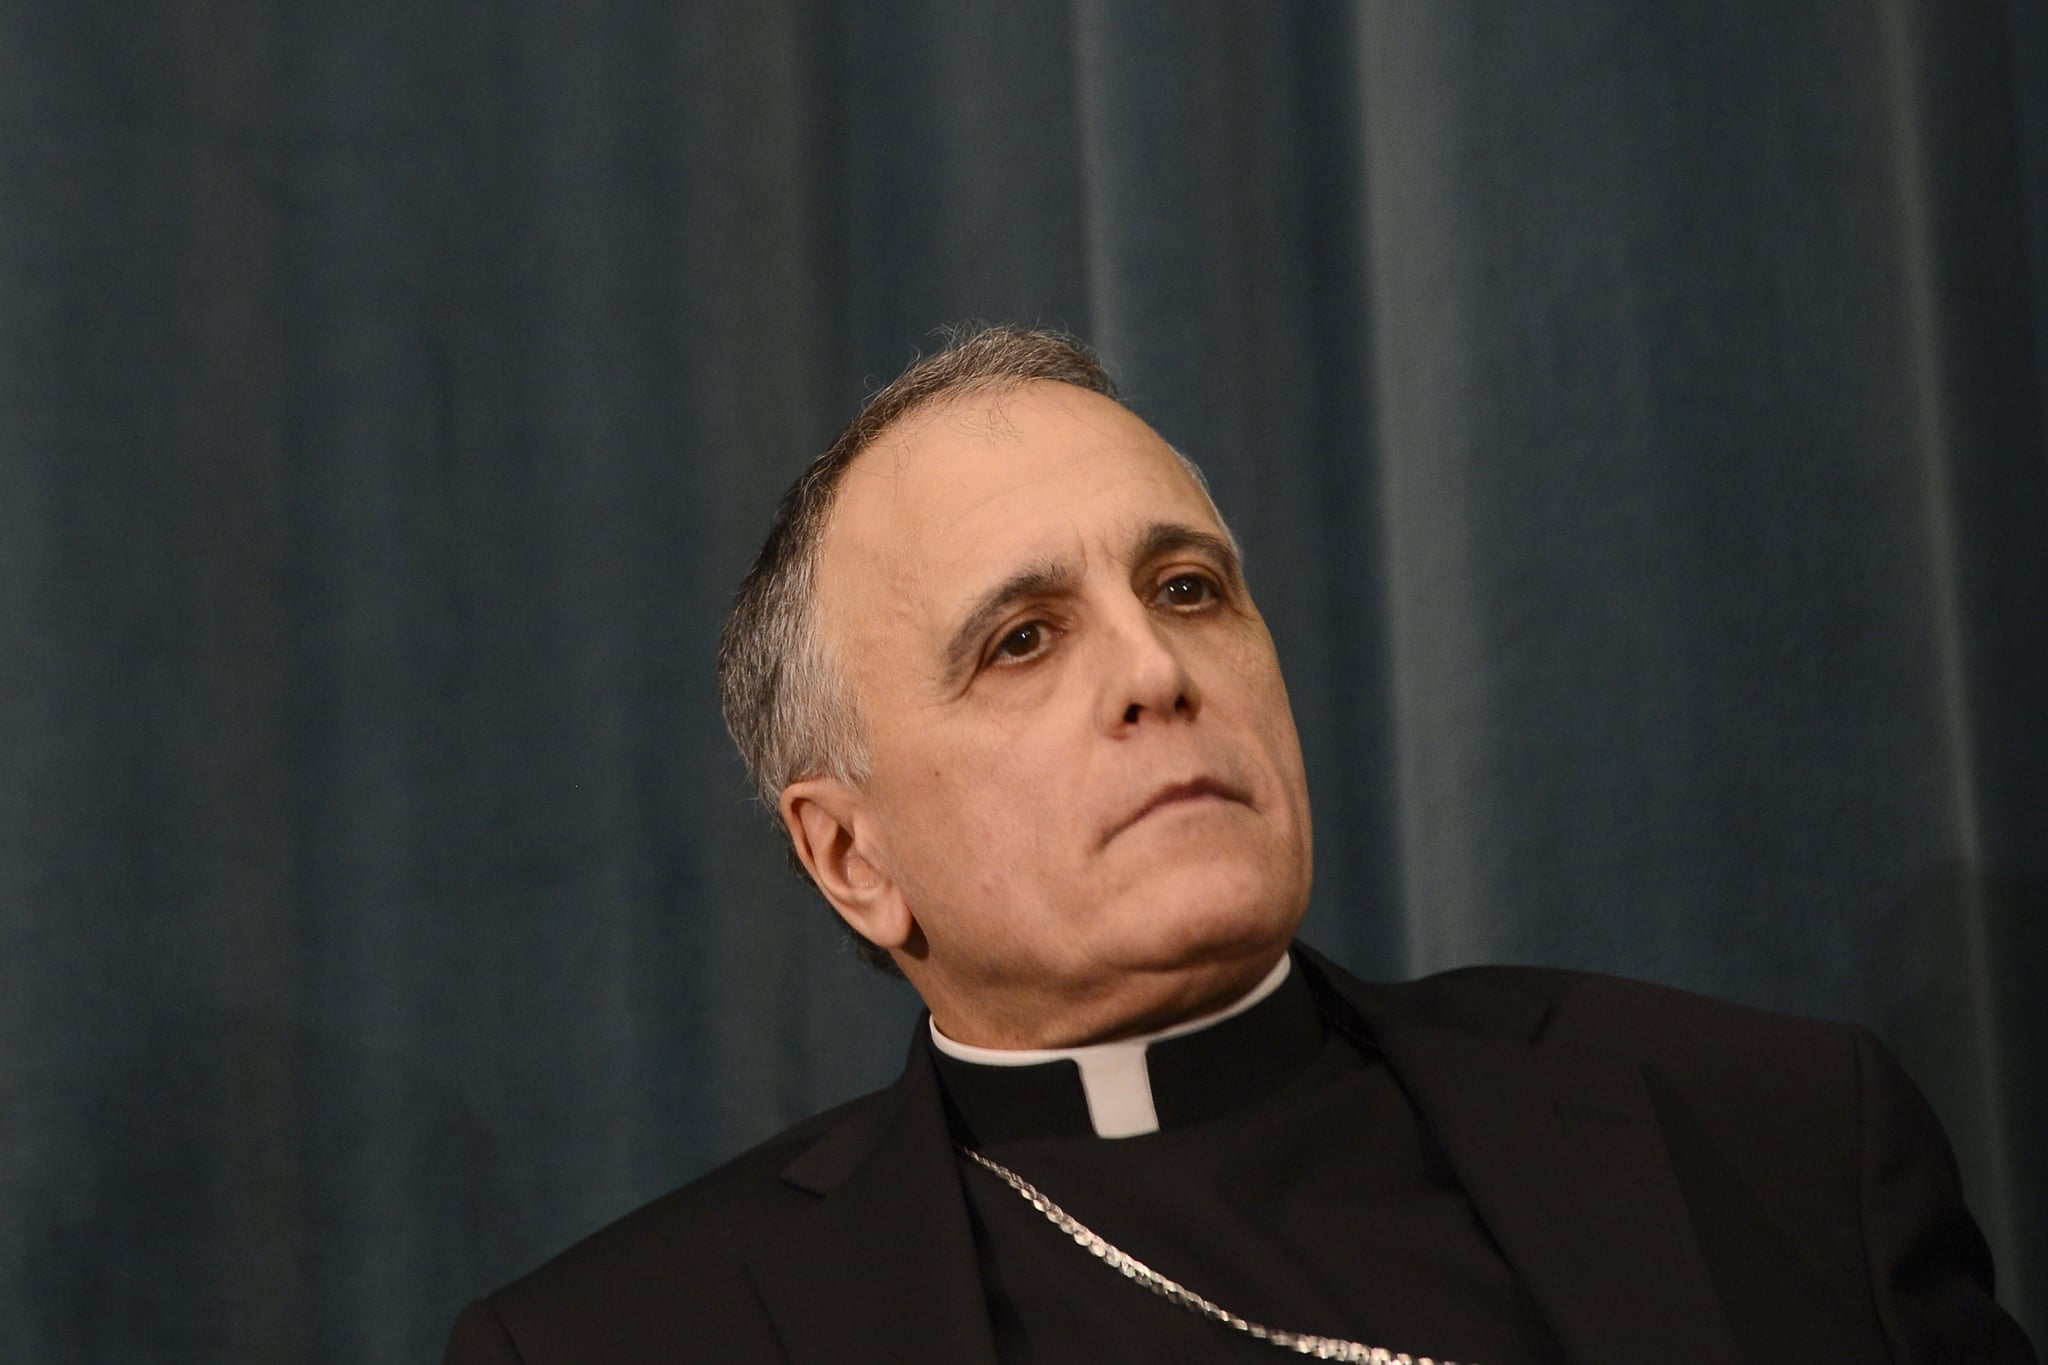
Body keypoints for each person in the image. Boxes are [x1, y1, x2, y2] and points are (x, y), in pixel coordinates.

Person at [443, 326, 2035, 1364]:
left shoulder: (1771, 1132)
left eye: (1189, 587)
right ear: (853, 857)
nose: (1154, 672)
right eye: (1021, 640)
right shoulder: (628, 1341)